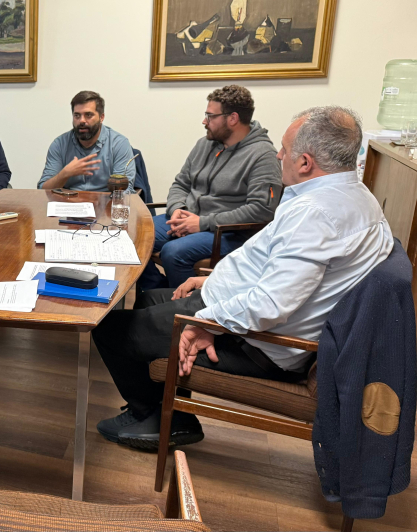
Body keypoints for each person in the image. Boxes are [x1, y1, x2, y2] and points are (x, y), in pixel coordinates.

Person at [92, 106, 392, 451]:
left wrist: (206, 323)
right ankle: (163, 410)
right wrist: (213, 281)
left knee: (107, 326)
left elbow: (272, 304)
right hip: (242, 312)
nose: (278, 155)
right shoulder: (353, 196)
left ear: (306, 162)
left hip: (254, 341)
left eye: (284, 149)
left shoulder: (316, 215)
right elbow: (273, 269)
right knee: (148, 299)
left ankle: (162, 419)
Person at [138, 85, 282, 290]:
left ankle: (187, 309)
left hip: (228, 232)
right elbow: (181, 183)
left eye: (210, 116)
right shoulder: (204, 144)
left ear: (232, 119)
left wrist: (203, 223)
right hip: (189, 218)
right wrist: (178, 209)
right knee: (133, 234)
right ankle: (155, 296)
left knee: (173, 252)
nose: (204, 121)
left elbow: (261, 210)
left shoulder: (263, 155)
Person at [38, 91, 136, 192]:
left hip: (105, 203)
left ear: (101, 117)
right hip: (69, 203)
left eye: (88, 115)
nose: (82, 121)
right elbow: (43, 190)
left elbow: (123, 191)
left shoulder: (119, 144)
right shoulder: (59, 144)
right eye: (77, 115)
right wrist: (65, 174)